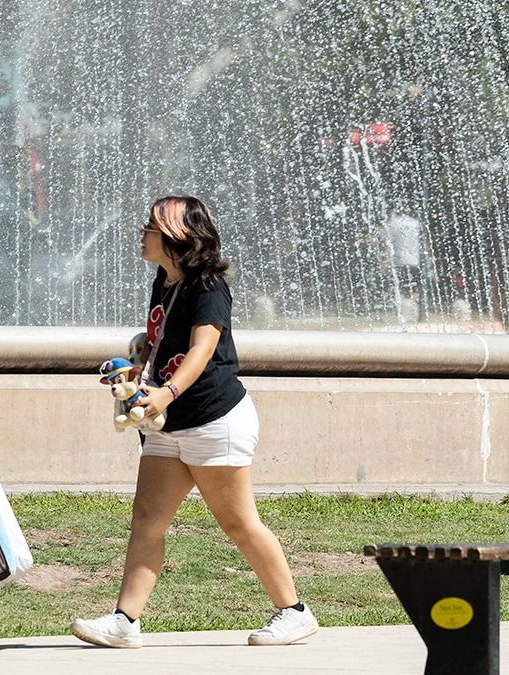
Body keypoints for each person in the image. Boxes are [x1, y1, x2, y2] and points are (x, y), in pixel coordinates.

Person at [70, 196, 318, 649]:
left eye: (150, 226)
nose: (142, 233)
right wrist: (138, 369)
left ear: (175, 236)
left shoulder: (208, 286)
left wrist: (165, 391)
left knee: (238, 522)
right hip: (169, 422)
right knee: (147, 519)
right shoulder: (165, 281)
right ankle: (125, 620)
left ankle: (294, 611)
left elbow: (203, 350)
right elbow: (164, 342)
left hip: (213, 417)